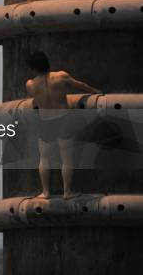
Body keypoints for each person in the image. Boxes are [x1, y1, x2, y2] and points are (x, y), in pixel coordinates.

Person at [25, 51, 101, 199]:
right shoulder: (61, 76)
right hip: (64, 119)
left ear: (32, 68)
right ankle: (67, 192)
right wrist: (95, 91)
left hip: (45, 122)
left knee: (44, 158)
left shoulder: (30, 84)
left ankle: (45, 192)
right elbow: (81, 85)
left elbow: (35, 99)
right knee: (67, 158)